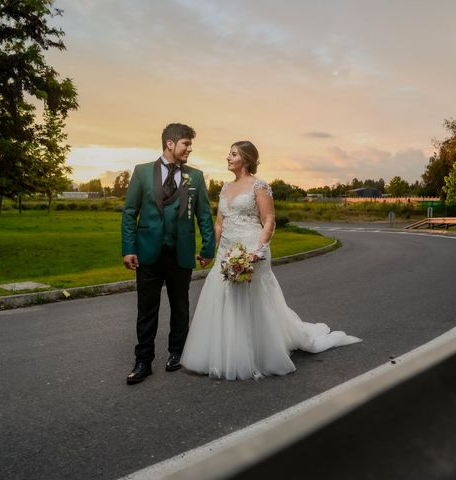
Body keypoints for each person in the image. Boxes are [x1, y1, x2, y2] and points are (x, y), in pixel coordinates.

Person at [181, 141, 361, 380]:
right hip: (225, 250)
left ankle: (257, 352)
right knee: (222, 296)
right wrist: (209, 250)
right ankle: (222, 353)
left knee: (252, 299)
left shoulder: (259, 186)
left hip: (250, 248)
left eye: (233, 154)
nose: (228, 157)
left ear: (245, 159)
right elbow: (219, 224)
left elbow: (269, 220)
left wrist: (258, 250)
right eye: (229, 153)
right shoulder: (225, 188)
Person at [122, 123, 215, 385]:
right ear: (170, 144)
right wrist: (128, 248)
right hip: (147, 252)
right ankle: (143, 361)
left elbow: (204, 215)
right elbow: (130, 212)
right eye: (186, 144)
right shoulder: (141, 172)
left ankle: (177, 352)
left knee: (180, 306)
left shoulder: (195, 177)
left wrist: (208, 248)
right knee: (146, 310)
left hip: (181, 251)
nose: (190, 149)